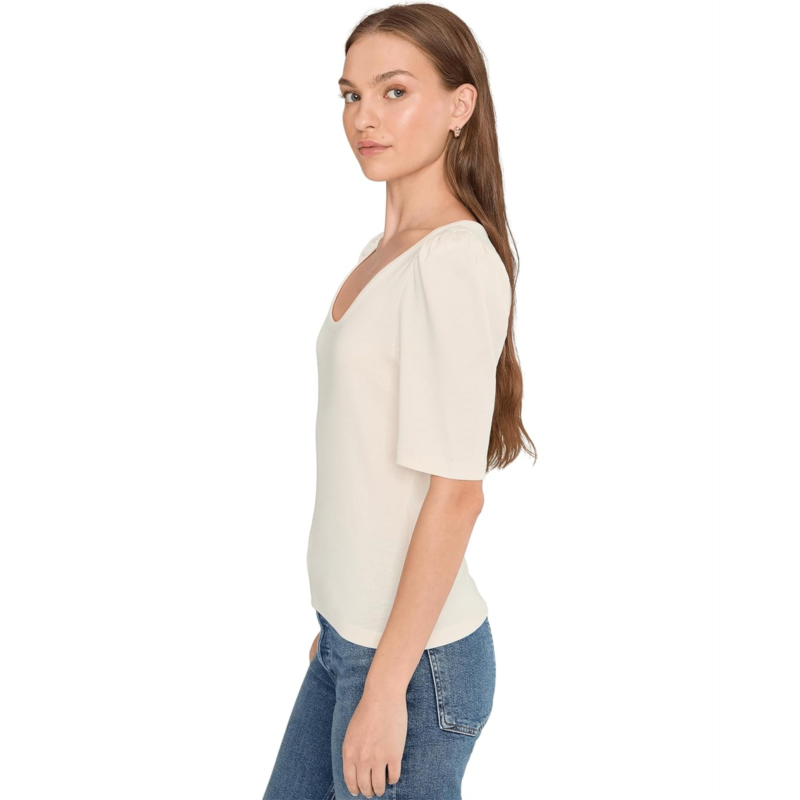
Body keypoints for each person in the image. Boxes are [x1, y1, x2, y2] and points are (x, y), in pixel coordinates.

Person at [263, 4, 535, 798]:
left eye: (394, 91)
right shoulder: (383, 253)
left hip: (414, 669)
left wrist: (383, 687)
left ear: (460, 105)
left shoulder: (452, 261)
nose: (364, 118)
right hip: (348, 642)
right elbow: (369, 468)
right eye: (351, 95)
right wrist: (340, 625)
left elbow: (457, 495)